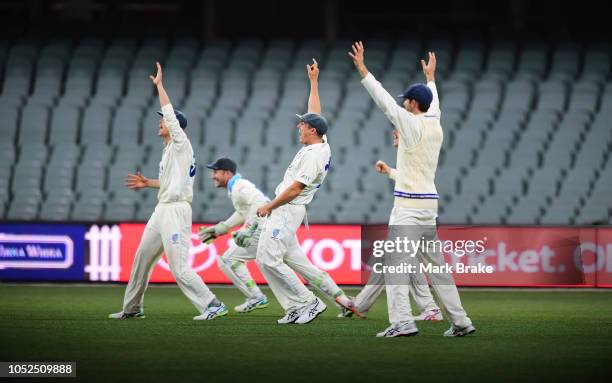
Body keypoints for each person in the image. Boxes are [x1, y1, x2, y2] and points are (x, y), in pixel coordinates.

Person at [349, 41, 475, 337]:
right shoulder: (435, 122)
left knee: (394, 267)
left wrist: (363, 69)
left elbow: (383, 101)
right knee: (439, 270)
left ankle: (402, 322)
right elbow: (436, 103)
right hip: (429, 207)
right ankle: (461, 321)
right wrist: (431, 78)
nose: (403, 102)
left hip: (407, 208)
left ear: (413, 104)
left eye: (406, 100)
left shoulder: (410, 122)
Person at [109, 62, 227, 321]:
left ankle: (212, 304)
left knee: (179, 267)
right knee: (141, 258)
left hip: (176, 210)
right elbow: (170, 183)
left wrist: (160, 86)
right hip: (162, 209)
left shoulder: (181, 143)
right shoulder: (169, 152)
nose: (160, 124)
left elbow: (170, 115)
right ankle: (132, 308)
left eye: (163, 121)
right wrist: (148, 183)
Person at [255, 59, 362, 325]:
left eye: (302, 125)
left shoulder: (313, 155)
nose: (298, 127)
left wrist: (270, 206)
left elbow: (294, 189)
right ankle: (301, 305)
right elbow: (315, 113)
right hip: (289, 211)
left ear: (312, 131)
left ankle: (307, 302)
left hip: (287, 209)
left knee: (268, 258)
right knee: (281, 260)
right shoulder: (321, 142)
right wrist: (313, 81)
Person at [339, 128, 443, 322]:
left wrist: (391, 172)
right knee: (389, 258)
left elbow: (417, 180)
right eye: (394, 131)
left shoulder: (413, 152)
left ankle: (429, 309)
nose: (394, 134)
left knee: (401, 259)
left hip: (416, 215)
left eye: (398, 132)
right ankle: (360, 304)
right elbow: (410, 178)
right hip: (418, 214)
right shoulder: (408, 154)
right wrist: (390, 172)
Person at [198, 157, 270, 313]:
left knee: (228, 260)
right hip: (270, 226)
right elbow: (243, 212)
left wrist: (247, 229)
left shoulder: (240, 186)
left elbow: (259, 203)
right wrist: (220, 229)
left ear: (227, 173)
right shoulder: (235, 186)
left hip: (264, 228)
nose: (213, 176)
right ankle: (336, 298)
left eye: (216, 172)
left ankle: (256, 297)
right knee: (297, 265)